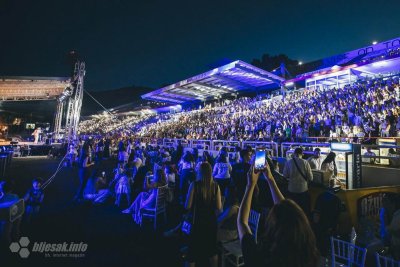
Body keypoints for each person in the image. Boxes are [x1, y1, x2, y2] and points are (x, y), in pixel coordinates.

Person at [238, 164, 319, 267]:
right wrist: (270, 179)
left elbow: (242, 222)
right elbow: (286, 212)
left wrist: (250, 185)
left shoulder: (259, 258)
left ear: (272, 229)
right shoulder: (308, 257)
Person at [185, 162, 222, 267]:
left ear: (199, 172)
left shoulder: (194, 185)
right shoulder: (216, 186)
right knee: (212, 250)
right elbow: (219, 207)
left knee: (192, 252)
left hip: (197, 221)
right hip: (211, 222)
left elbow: (187, 206)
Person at [283, 147, 313, 216]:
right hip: (303, 190)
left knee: (292, 211)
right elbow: (311, 178)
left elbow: (285, 175)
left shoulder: (288, 162)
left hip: (291, 190)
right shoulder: (305, 162)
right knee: (302, 211)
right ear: (302, 154)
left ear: (294, 154)